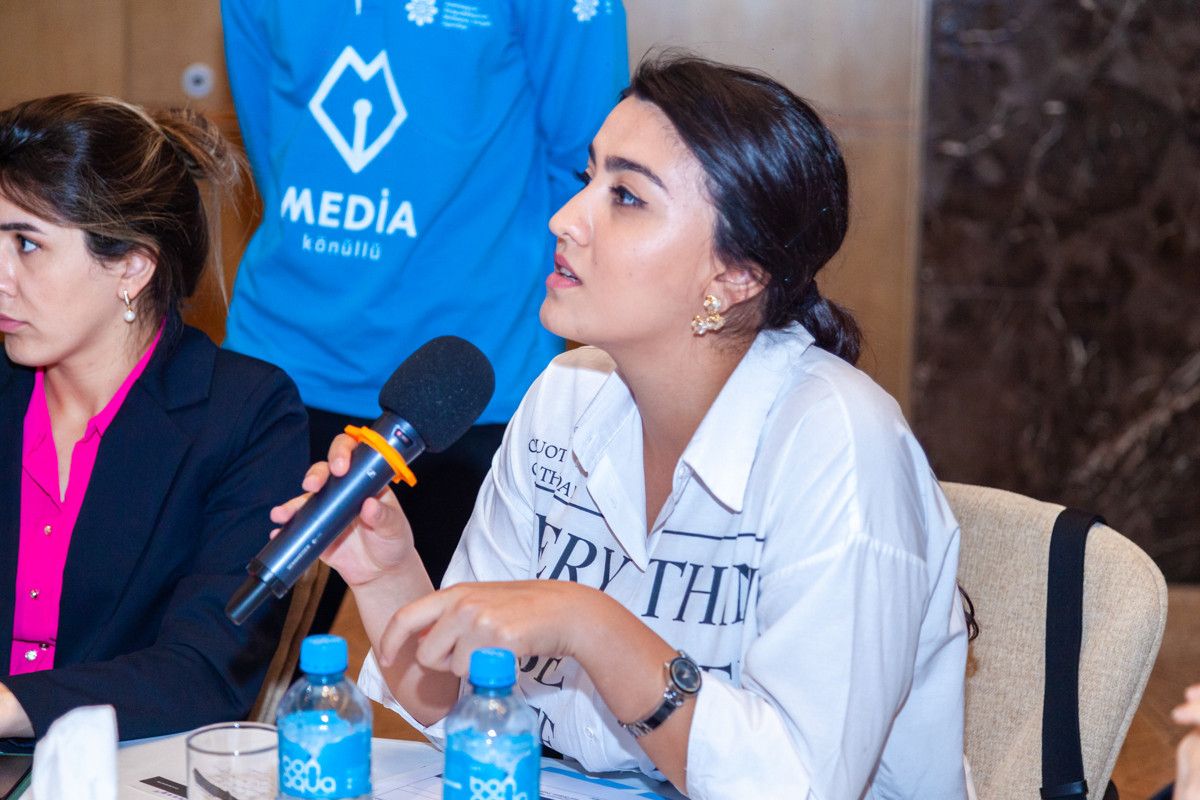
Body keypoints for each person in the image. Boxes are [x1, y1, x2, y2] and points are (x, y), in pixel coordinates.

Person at [277, 55, 971, 798]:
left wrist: (591, 626)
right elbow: (465, 707)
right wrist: (387, 576)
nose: (565, 219)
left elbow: (799, 785)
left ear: (735, 275)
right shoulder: (566, 396)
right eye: (587, 179)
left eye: (627, 197)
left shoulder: (841, 444)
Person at [220, 0, 629, 592]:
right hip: (281, 358)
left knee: (453, 646)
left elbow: (587, 165)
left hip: (465, 385)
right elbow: (272, 144)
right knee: (244, 633)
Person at [0, 94, 309, 741]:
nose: (1, 275)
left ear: (132, 266)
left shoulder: (246, 414)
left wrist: (10, 708)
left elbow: (205, 673)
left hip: (124, 766)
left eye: (26, 244)